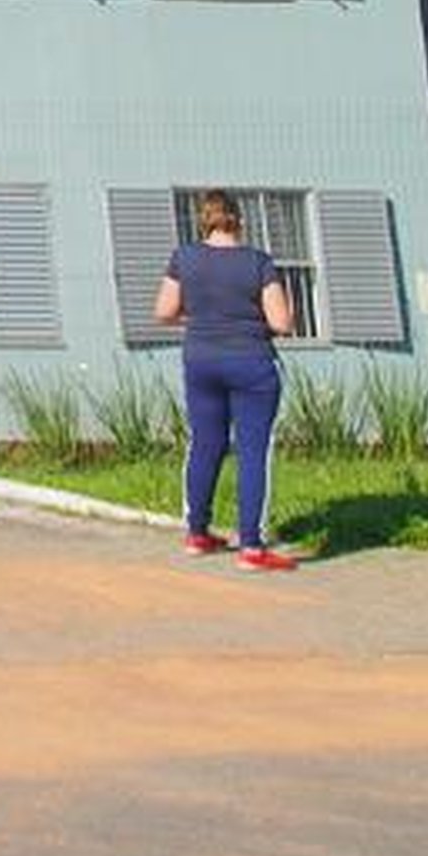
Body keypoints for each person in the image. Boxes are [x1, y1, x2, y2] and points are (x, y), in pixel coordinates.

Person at [152, 189, 298, 571]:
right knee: (253, 450)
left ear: (203, 220)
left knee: (204, 443)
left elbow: (164, 311)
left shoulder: (184, 258)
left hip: (200, 360)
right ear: (239, 219)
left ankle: (197, 532)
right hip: (251, 363)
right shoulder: (258, 262)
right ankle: (251, 546)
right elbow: (281, 323)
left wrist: (200, 319)